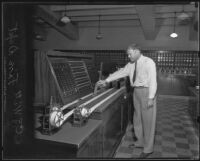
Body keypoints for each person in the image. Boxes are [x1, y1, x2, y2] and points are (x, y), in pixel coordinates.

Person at [97, 44, 157, 158]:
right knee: (137, 119)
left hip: (147, 92)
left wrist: (151, 97)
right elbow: (121, 73)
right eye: (128, 54)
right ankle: (140, 142)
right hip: (136, 92)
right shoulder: (131, 65)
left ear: (137, 51)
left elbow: (153, 81)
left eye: (130, 54)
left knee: (148, 122)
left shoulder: (149, 62)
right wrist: (106, 80)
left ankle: (148, 149)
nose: (128, 56)